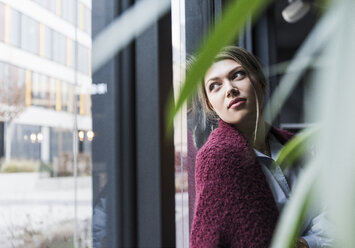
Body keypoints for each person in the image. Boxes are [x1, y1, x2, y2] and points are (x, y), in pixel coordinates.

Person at [190, 46, 332, 248]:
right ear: (211, 105)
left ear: (261, 83)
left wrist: (305, 244)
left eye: (237, 75)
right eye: (215, 86)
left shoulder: (301, 149)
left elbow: (337, 213)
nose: (229, 89)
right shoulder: (217, 160)